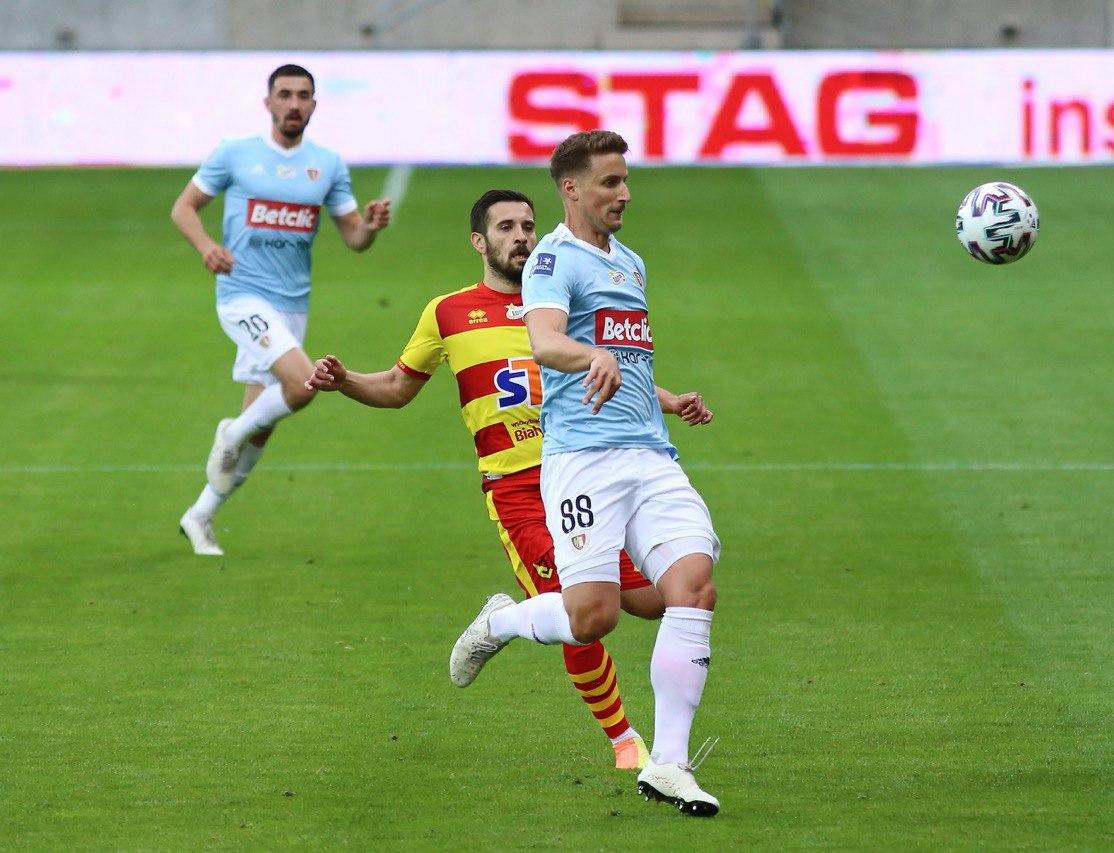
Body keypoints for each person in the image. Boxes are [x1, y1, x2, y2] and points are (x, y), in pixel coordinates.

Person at [303, 189, 712, 769]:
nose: (521, 236)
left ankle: (502, 621)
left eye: (527, 225)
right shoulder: (448, 313)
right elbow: (396, 388)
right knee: (579, 612)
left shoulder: (562, 296)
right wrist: (344, 380)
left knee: (650, 602)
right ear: (479, 241)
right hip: (518, 488)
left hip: (586, 471)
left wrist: (669, 401)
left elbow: (615, 369)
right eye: (506, 227)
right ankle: (626, 742)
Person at [449, 132, 724, 816]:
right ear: (571, 189)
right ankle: (504, 621)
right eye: (610, 182)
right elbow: (544, 340)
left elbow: (627, 357)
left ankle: (669, 763)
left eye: (625, 180)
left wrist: (664, 399)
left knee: (690, 587)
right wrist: (587, 356)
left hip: (650, 456)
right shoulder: (551, 259)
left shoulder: (630, 262)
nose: (624, 193)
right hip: (583, 462)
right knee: (593, 617)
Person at [171, 63, 391, 556]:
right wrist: (207, 247)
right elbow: (183, 208)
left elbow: (354, 238)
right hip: (242, 294)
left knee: (261, 424)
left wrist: (370, 226)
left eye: (303, 95)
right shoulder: (235, 153)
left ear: (314, 104)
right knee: (302, 385)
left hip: (292, 305)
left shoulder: (327, 165)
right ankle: (229, 434)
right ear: (267, 102)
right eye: (285, 94)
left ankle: (200, 514)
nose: (294, 103)